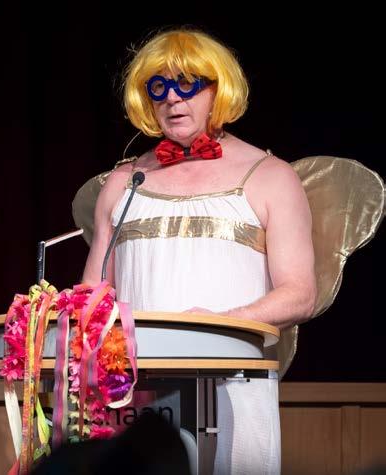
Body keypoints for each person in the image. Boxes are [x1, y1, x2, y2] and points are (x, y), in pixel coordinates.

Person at [82, 28, 317, 474]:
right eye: (158, 86)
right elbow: (94, 293)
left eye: (188, 83)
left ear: (218, 90)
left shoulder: (269, 175)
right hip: (139, 391)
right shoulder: (124, 182)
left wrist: (214, 328)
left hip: (235, 385)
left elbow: (300, 294)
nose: (172, 98)